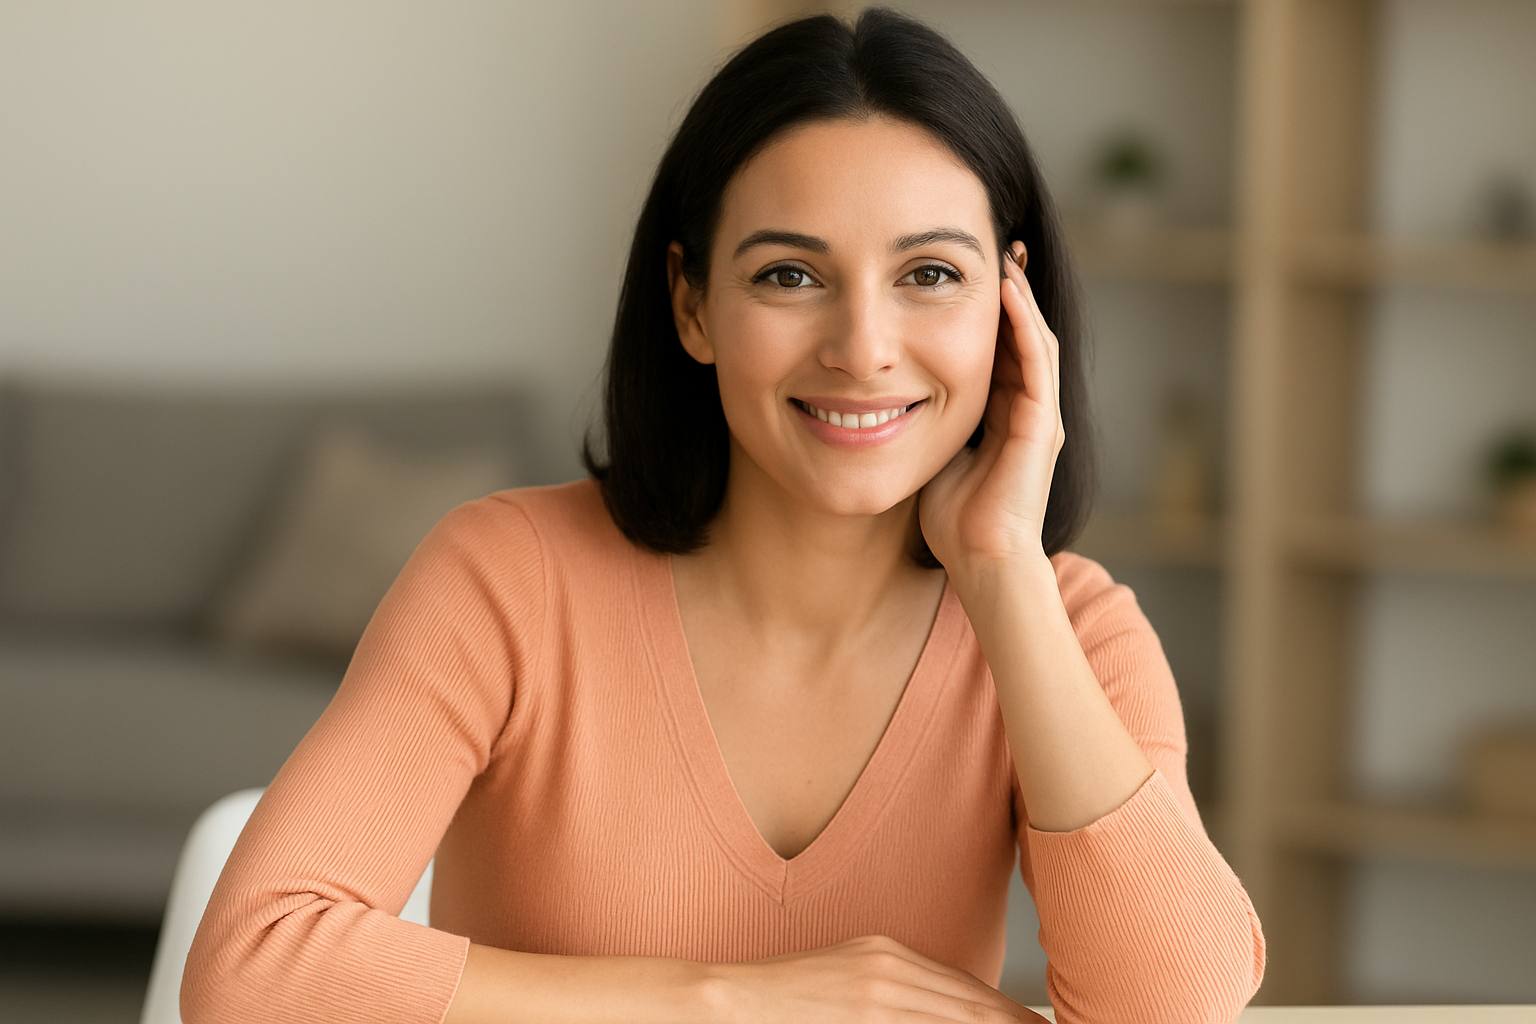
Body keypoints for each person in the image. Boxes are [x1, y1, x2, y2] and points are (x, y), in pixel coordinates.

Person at [180, 8, 1266, 1024]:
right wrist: (731, 1000)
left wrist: (1004, 573)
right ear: (692, 303)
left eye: (931, 273)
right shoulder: (506, 577)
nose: (864, 346)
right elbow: (256, 961)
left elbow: (1177, 1006)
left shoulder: (1072, 628)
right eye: (791, 274)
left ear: (1009, 308)